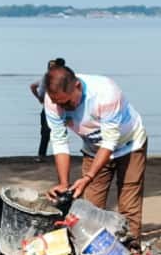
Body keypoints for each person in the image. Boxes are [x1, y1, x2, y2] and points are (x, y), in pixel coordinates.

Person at [43, 62, 148, 240]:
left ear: (77, 86)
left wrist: (88, 177)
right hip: (93, 149)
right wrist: (63, 183)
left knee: (129, 209)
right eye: (58, 103)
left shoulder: (105, 93)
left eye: (67, 103)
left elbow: (109, 141)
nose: (63, 108)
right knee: (89, 211)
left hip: (130, 145)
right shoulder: (53, 100)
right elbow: (59, 140)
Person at [29, 58, 65, 161]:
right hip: (57, 107)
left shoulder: (47, 77)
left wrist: (40, 98)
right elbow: (34, 86)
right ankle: (46, 154)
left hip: (52, 107)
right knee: (51, 132)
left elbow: (35, 87)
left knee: (47, 132)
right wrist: (40, 98)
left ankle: (43, 155)